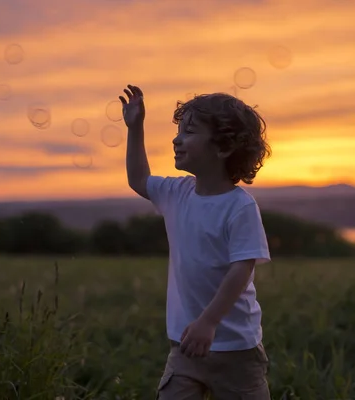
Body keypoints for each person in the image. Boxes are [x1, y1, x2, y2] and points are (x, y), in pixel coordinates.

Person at [120, 84, 272, 399]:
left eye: (188, 132)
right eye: (178, 131)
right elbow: (138, 178)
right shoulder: (176, 194)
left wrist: (209, 322)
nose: (176, 139)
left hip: (235, 349)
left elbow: (241, 269)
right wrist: (135, 128)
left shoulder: (239, 206)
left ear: (223, 147)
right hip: (186, 343)